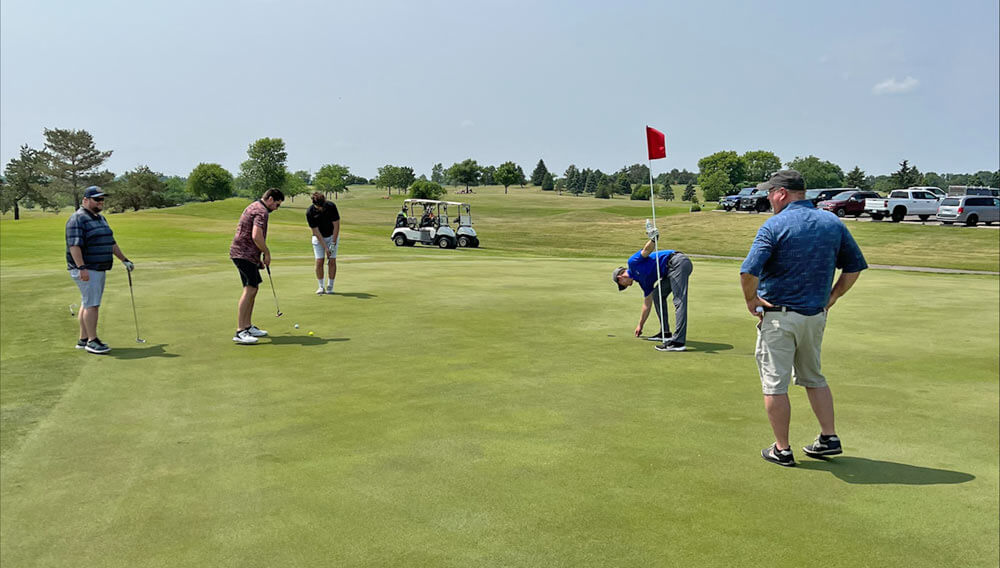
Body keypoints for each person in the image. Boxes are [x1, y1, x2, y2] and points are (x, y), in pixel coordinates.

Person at [739, 170, 868, 467]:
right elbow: (853, 268)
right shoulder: (832, 222)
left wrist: (750, 299)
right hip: (815, 317)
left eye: (770, 193)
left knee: (775, 384)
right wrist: (831, 298)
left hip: (779, 317)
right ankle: (829, 436)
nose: (768, 198)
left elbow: (748, 272)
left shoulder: (774, 225)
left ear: (781, 193)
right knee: (814, 378)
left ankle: (782, 448)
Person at [65, 186, 134, 354]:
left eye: (102, 199)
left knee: (87, 302)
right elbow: (74, 246)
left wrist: (124, 260)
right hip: (87, 268)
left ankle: (83, 339)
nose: (100, 202)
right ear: (85, 200)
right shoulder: (78, 219)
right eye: (97, 199)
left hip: (98, 267)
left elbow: (110, 242)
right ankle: (92, 341)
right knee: (93, 305)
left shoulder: (101, 219)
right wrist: (82, 267)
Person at [612, 226, 693, 352]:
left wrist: (653, 239)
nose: (625, 286)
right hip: (670, 271)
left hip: (677, 262)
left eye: (622, 285)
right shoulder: (643, 282)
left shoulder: (632, 263)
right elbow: (647, 304)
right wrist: (640, 325)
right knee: (657, 295)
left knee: (679, 300)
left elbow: (646, 250)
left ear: (620, 277)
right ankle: (665, 332)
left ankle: (678, 342)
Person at [230, 188, 284, 344]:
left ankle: (247, 326)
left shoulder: (254, 206)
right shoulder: (262, 211)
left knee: (254, 287)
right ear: (271, 199)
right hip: (243, 254)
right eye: (277, 205)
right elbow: (256, 235)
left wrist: (257, 257)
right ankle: (240, 331)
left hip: (244, 254)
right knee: (250, 288)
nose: (276, 208)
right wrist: (266, 253)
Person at [305, 192, 341, 294]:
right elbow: (315, 231)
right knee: (319, 261)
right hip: (318, 238)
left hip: (332, 236)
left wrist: (333, 244)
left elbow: (336, 225)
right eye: (319, 207)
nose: (321, 208)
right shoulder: (310, 212)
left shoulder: (331, 206)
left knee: (332, 260)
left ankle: (330, 286)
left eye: (322, 205)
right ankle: (321, 286)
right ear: (314, 204)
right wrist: (326, 248)